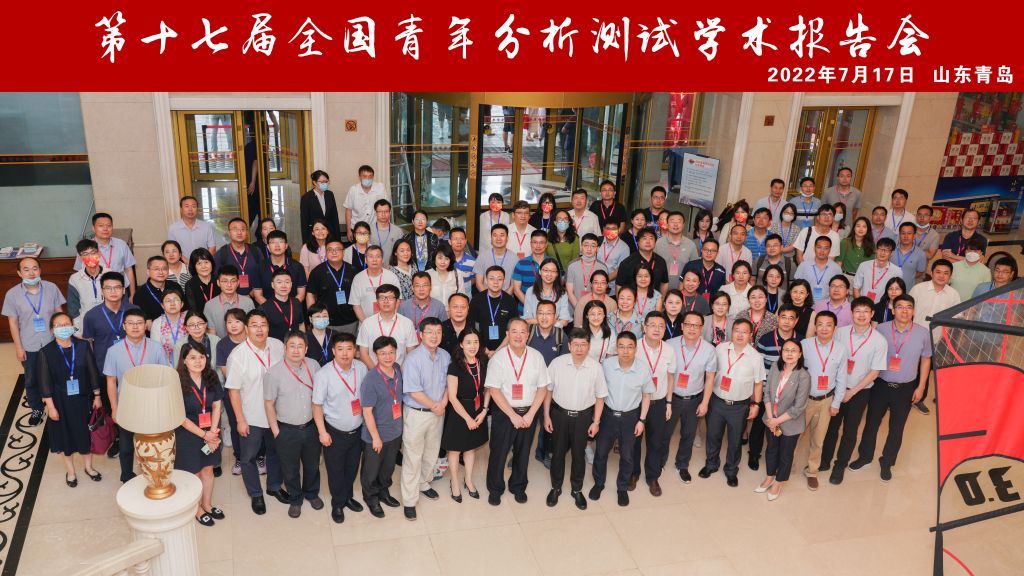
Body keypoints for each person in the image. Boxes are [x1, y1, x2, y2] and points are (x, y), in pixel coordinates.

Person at [850, 294, 932, 482]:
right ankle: (864, 457)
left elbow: (926, 360)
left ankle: (887, 462)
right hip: (880, 385)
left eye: (909, 307)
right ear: (893, 310)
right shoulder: (880, 329)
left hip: (906, 388)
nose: (904, 311)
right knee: (871, 423)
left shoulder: (922, 333)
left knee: (897, 428)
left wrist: (921, 387)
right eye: (900, 307)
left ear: (914, 311)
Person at [225, 310, 288, 515]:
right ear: (246, 328)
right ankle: (255, 494)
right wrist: (240, 420)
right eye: (254, 325)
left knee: (276, 452)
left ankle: (274, 486)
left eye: (263, 324)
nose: (259, 329)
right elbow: (233, 391)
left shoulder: (278, 346)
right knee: (248, 457)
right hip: (252, 415)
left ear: (268, 327)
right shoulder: (238, 356)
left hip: (278, 414)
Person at [819, 297, 888, 485]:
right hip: (836, 388)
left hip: (860, 392)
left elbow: (875, 372)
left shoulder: (879, 341)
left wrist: (852, 392)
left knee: (850, 431)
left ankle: (839, 466)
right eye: (858, 311)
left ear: (872, 314)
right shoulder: (840, 333)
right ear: (852, 313)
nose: (861, 315)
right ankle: (824, 460)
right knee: (831, 427)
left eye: (866, 311)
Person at [485, 318, 550, 505]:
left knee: (523, 452)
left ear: (528, 335)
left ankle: (518, 486)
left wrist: (530, 414)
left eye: (523, 331)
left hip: (529, 412)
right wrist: (512, 415)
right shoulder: (498, 358)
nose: (518, 335)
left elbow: (542, 388)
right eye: (514, 331)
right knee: (499, 452)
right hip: (505, 413)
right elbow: (494, 390)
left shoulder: (536, 356)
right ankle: (495, 488)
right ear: (507, 334)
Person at [263, 331, 324, 518]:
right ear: (285, 348)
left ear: (306, 349)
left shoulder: (314, 366)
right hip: (286, 430)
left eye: (300, 346)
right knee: (290, 469)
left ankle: (311, 493)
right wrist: (276, 431)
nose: (296, 350)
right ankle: (295, 498)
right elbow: (269, 403)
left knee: (312, 465)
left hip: (311, 426)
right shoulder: (273, 373)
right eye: (292, 346)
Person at [544, 328, 606, 509]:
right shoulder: (557, 364)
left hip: (583, 417)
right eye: (576, 345)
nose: (579, 348)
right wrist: (546, 415)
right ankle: (556, 487)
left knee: (579, 455)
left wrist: (596, 422)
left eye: (583, 345)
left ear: (588, 346)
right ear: (569, 346)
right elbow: (548, 392)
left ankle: (576, 489)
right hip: (559, 415)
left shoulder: (596, 367)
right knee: (557, 453)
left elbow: (600, 397)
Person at [38, 312, 102, 488]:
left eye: (66, 324)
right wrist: (51, 407)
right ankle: (71, 471)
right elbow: (44, 383)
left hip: (83, 398)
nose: (63, 328)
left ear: (72, 326)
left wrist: (97, 395)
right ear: (52, 330)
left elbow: (93, 372)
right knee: (64, 436)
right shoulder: (46, 352)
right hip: (60, 402)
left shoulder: (82, 345)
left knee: (85, 434)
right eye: (59, 325)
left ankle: (89, 467)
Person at [103, 308, 167, 482]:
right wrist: (114, 409)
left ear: (145, 325)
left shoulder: (156, 348)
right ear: (124, 326)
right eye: (130, 323)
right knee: (125, 445)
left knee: (152, 442)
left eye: (139, 323)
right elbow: (111, 381)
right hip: (126, 405)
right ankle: (126, 475)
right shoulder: (114, 351)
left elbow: (164, 376)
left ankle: (154, 474)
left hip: (151, 405)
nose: (135, 327)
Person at [700, 320, 766, 487]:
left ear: (750, 335)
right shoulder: (720, 349)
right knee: (713, 436)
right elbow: (710, 374)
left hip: (739, 406)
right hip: (717, 401)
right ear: (731, 331)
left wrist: (756, 404)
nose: (740, 334)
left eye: (744, 331)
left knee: (735, 440)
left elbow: (758, 383)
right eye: (737, 330)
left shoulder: (756, 357)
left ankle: (731, 470)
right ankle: (711, 464)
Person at [312, 333, 368, 524]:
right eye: (340, 349)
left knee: (352, 468)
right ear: (333, 351)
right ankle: (337, 503)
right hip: (334, 432)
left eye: (349, 349)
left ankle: (348, 497)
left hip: (357, 430)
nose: (345, 354)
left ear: (355, 350)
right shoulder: (324, 374)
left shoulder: (361, 368)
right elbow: (317, 406)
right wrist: (322, 432)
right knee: (336, 471)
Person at [398, 318, 451, 520]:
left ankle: (424, 483)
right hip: (417, 413)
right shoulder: (413, 359)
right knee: (413, 456)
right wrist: (435, 406)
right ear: (421, 335)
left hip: (438, 412)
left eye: (438, 332)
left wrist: (443, 403)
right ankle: (409, 500)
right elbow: (413, 390)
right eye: (429, 332)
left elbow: (449, 384)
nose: (434, 336)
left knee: (431, 452)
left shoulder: (445, 356)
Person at [4, 257, 67, 424]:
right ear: (19, 273)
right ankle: (37, 408)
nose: (31, 273)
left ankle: (58, 404)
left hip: (52, 341)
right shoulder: (12, 294)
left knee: (57, 374)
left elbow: (59, 313)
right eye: (26, 269)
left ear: (40, 270)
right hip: (29, 344)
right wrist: (19, 347)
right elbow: (13, 323)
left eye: (35, 268)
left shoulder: (51, 288)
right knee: (31, 379)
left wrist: (63, 337)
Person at [592, 332, 652, 506]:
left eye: (629, 347)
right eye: (621, 347)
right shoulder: (606, 365)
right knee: (601, 452)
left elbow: (647, 396)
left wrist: (642, 420)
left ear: (636, 348)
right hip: (608, 416)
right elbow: (598, 392)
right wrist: (596, 420)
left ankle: (622, 488)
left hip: (630, 417)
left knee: (627, 455)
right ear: (616, 348)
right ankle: (598, 483)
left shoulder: (643, 369)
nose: (625, 351)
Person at [174, 341, 225, 526]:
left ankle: (207, 504)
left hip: (211, 430)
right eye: (192, 357)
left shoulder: (211, 376)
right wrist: (205, 436)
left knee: (208, 469)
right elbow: (180, 417)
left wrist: (212, 432)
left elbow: (217, 405)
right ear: (184, 360)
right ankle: (197, 510)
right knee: (194, 472)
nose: (198, 361)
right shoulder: (177, 382)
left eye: (202, 357)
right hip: (187, 433)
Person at [664, 311, 717, 483]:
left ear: (702, 328)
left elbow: (710, 378)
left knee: (688, 435)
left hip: (694, 399)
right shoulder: (670, 345)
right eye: (688, 324)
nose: (692, 328)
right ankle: (659, 462)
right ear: (682, 326)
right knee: (664, 433)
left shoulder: (709, 350)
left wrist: (705, 403)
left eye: (696, 325)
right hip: (671, 398)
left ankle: (682, 465)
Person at [756, 337, 810, 501]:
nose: (789, 354)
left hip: (790, 423)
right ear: (781, 353)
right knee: (771, 449)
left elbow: (798, 407)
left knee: (786, 454)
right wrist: (770, 417)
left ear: (800, 354)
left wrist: (776, 421)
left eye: (794, 351)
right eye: (786, 350)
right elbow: (767, 393)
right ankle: (770, 476)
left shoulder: (803, 376)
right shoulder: (775, 367)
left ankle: (779, 482)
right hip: (771, 418)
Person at [799, 311, 848, 491]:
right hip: (804, 400)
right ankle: (785, 467)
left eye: (828, 325)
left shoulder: (841, 349)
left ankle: (812, 472)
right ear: (815, 327)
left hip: (826, 400)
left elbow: (842, 378)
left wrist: (836, 403)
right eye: (820, 324)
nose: (824, 328)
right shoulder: (805, 345)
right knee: (794, 436)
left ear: (835, 328)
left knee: (818, 439)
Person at [631, 312, 676, 496]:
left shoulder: (669, 350)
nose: (657, 329)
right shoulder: (635, 347)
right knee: (634, 441)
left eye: (661, 326)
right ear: (644, 327)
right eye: (652, 325)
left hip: (658, 403)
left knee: (656, 442)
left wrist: (669, 402)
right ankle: (633, 473)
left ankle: (652, 477)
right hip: (636, 403)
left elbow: (670, 378)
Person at [441, 328, 489, 503]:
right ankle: (454, 481)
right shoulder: (455, 366)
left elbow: (488, 389)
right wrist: (468, 419)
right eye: (468, 342)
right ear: (461, 344)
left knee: (470, 447)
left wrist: (484, 411)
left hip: (478, 410)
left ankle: (468, 479)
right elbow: (452, 397)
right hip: (460, 411)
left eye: (476, 342)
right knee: (455, 449)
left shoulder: (483, 362)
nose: (472, 346)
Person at [360, 335, 404, 519]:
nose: (388, 357)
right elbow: (367, 412)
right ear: (375, 355)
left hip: (395, 432)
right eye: (383, 353)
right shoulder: (371, 379)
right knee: (371, 471)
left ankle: (384, 492)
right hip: (376, 435)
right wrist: (376, 437)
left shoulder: (397, 369)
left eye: (391, 352)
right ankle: (371, 498)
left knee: (388, 468)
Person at [908, 259, 960, 415]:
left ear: (950, 276)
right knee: (908, 368)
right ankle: (903, 398)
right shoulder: (918, 289)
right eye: (938, 272)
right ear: (931, 272)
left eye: (946, 273)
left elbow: (956, 319)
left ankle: (919, 399)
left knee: (925, 371)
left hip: (935, 340)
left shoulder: (953, 294)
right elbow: (907, 311)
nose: (941, 276)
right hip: (913, 338)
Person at [750, 304, 800, 468]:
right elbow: (758, 368)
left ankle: (779, 457)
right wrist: (760, 393)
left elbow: (801, 369)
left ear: (796, 321)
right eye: (783, 317)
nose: (786, 321)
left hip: (788, 396)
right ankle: (754, 453)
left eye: (791, 318)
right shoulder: (765, 339)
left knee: (784, 425)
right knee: (759, 425)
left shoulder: (800, 341)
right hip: (767, 393)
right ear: (777, 318)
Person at [217, 308, 249, 475]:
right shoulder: (222, 344)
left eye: (237, 321)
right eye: (229, 322)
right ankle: (239, 457)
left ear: (245, 324)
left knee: (256, 424)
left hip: (254, 391)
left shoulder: (252, 340)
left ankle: (260, 456)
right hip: (232, 391)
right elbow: (225, 372)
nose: (233, 325)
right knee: (237, 423)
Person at [75, 212, 137, 296]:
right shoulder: (85, 247)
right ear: (93, 228)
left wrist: (133, 294)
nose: (105, 229)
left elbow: (129, 270)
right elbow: (79, 272)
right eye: (101, 226)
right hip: (95, 292)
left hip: (119, 290)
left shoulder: (121, 244)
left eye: (109, 225)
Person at [304, 238, 358, 335]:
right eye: (330, 250)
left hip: (351, 321)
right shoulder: (317, 272)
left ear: (343, 252)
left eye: (337, 249)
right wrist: (313, 316)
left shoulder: (353, 270)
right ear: (325, 252)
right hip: (325, 322)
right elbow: (310, 295)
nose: (334, 252)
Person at [356, 284, 417, 368]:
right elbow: (363, 353)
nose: (386, 301)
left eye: (390, 298)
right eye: (382, 298)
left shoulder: (407, 324)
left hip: (400, 372)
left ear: (397, 301)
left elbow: (411, 353)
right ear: (377, 301)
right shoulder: (367, 323)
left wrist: (399, 373)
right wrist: (377, 373)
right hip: (374, 371)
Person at [468, 267, 518, 355]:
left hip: (504, 349)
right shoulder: (476, 300)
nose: (495, 282)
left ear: (504, 281)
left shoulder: (510, 301)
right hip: (480, 349)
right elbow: (471, 327)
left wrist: (497, 352)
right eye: (491, 279)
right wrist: (484, 350)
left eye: (499, 279)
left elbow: (513, 329)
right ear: (486, 280)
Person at [252, 230, 306, 305]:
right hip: (267, 309)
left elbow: (301, 294)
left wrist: (291, 308)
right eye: (273, 242)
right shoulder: (259, 267)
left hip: (292, 309)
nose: (277, 245)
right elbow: (258, 296)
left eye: (280, 242)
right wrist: (272, 309)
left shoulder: (297, 266)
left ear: (286, 246)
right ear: (268, 247)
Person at [214, 217, 263, 298]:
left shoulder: (255, 251)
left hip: (254, 297)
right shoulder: (221, 253)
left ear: (247, 233)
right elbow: (216, 278)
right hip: (230, 299)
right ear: (229, 233)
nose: (239, 232)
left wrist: (256, 290)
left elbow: (262, 273)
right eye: (235, 229)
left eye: (243, 229)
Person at [350, 246, 401, 322]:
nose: (374, 260)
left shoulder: (392, 277)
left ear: (382, 260)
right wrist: (366, 324)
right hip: (365, 323)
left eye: (378, 256)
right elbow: (356, 305)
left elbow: (398, 300)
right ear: (365, 260)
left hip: (389, 322)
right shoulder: (358, 278)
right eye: (371, 257)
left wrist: (390, 319)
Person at [204, 266, 255, 339]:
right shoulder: (210, 306)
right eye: (225, 281)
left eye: (233, 281)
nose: (229, 285)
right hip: (220, 345)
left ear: (238, 282)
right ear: (218, 283)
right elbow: (212, 336)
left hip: (245, 344)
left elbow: (252, 329)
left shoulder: (248, 302)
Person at [68, 239, 106, 333]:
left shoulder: (111, 274)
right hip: (86, 324)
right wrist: (78, 328)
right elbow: (73, 308)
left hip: (109, 321)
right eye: (85, 254)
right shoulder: (74, 279)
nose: (90, 256)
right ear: (80, 257)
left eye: (93, 252)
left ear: (99, 254)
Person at [344, 165, 390, 242]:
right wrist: (348, 230)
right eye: (364, 176)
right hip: (357, 229)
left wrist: (387, 227)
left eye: (370, 176)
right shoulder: (353, 190)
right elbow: (348, 210)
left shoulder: (380, 188)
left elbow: (386, 208)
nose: (368, 179)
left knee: (375, 249)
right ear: (359, 177)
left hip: (376, 229)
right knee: (359, 249)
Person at [618, 228, 669, 296]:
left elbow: (664, 283)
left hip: (655, 301)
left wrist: (661, 300)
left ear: (655, 242)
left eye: (651, 238)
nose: (648, 241)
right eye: (644, 238)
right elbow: (619, 285)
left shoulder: (661, 261)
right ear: (638, 242)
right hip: (633, 301)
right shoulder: (627, 263)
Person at [794, 236, 843, 304]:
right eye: (819, 247)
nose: (822, 251)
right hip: (806, 304)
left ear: (830, 250)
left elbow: (839, 290)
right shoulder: (804, 265)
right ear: (814, 248)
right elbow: (796, 285)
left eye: (826, 248)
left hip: (827, 305)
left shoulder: (836, 268)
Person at [852, 237, 902, 305]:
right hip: (863, 305)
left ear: (892, 253)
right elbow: (856, 288)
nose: (882, 253)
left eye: (887, 250)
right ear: (876, 250)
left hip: (883, 306)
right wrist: (861, 305)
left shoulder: (897, 271)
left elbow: (897, 293)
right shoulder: (864, 265)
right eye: (880, 249)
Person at [523, 259, 572, 327]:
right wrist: (549, 322)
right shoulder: (530, 291)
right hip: (535, 330)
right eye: (546, 270)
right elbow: (528, 319)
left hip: (555, 330)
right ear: (540, 271)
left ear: (557, 274)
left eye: (553, 271)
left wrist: (548, 324)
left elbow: (564, 320)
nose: (549, 274)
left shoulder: (562, 293)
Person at [173, 311, 221, 378]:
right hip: (188, 382)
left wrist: (219, 383)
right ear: (186, 327)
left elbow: (219, 369)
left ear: (205, 324)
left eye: (200, 324)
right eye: (192, 325)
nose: (197, 328)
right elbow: (178, 369)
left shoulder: (216, 341)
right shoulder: (180, 344)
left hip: (213, 381)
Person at [260, 270, 305, 341]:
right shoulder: (264, 308)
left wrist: (303, 342)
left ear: (291, 284)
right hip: (275, 346)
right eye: (279, 282)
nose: (283, 286)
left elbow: (301, 324)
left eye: (287, 282)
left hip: (295, 345)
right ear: (272, 285)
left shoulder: (296, 303)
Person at [300, 170, 342, 244]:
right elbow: (304, 222)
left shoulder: (330, 194)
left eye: (326, 181)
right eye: (322, 182)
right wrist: (306, 243)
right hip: (315, 236)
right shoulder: (306, 198)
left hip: (329, 235)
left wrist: (338, 239)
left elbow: (335, 217)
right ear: (314, 182)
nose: (325, 184)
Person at [565, 234, 608, 306]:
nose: (589, 249)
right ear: (581, 247)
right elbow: (570, 292)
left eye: (593, 246)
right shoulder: (572, 265)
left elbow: (602, 293)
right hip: (574, 307)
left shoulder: (603, 267)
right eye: (586, 245)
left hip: (595, 309)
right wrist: (579, 309)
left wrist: (593, 310)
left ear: (597, 248)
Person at [512, 230, 549, 312]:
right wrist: (530, 306)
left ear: (546, 244)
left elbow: (557, 288)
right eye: (535, 242)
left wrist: (544, 308)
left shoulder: (552, 263)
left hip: (548, 312)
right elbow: (516, 290)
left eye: (541, 242)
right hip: (525, 310)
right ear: (530, 244)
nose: (538, 246)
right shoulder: (521, 263)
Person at [474, 224, 518, 293]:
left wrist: (504, 298)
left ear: (507, 238)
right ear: (491, 238)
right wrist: (487, 297)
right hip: (485, 296)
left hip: (506, 297)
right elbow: (479, 283)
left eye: (502, 235)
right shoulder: (482, 257)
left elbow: (513, 285)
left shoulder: (515, 259)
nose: (498, 238)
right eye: (495, 235)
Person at [151, 287, 187, 365]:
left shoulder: (189, 319)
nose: (172, 304)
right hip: (165, 365)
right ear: (162, 305)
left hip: (188, 363)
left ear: (182, 304)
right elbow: (156, 350)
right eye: (168, 301)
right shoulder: (157, 323)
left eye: (176, 300)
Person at [950, 235, 992, 300]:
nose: (972, 253)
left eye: (975, 251)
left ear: (981, 253)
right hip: (952, 303)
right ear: (965, 252)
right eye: (969, 250)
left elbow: (986, 293)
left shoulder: (986, 271)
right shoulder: (954, 266)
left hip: (973, 305)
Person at [134, 256, 169, 327]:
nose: (161, 272)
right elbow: (145, 322)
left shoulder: (175, 286)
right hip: (153, 330)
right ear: (148, 272)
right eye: (156, 269)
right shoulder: (140, 294)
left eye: (164, 269)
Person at [597, 220, 631, 291]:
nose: (610, 231)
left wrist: (603, 280)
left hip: (612, 288)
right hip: (594, 285)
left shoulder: (624, 248)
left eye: (613, 229)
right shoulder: (598, 242)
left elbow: (620, 270)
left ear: (619, 230)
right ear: (603, 229)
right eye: (608, 228)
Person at [894, 222, 928, 289]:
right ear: (899, 235)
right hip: (889, 289)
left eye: (909, 233)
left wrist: (908, 276)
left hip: (908, 289)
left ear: (914, 235)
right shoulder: (891, 250)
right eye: (903, 233)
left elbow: (920, 272)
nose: (906, 236)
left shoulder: (921, 254)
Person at [184, 248, 219, 313]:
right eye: (199, 263)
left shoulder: (219, 281)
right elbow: (192, 310)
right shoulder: (190, 284)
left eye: (206, 262)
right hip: (199, 318)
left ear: (212, 263)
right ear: (194, 266)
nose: (203, 266)